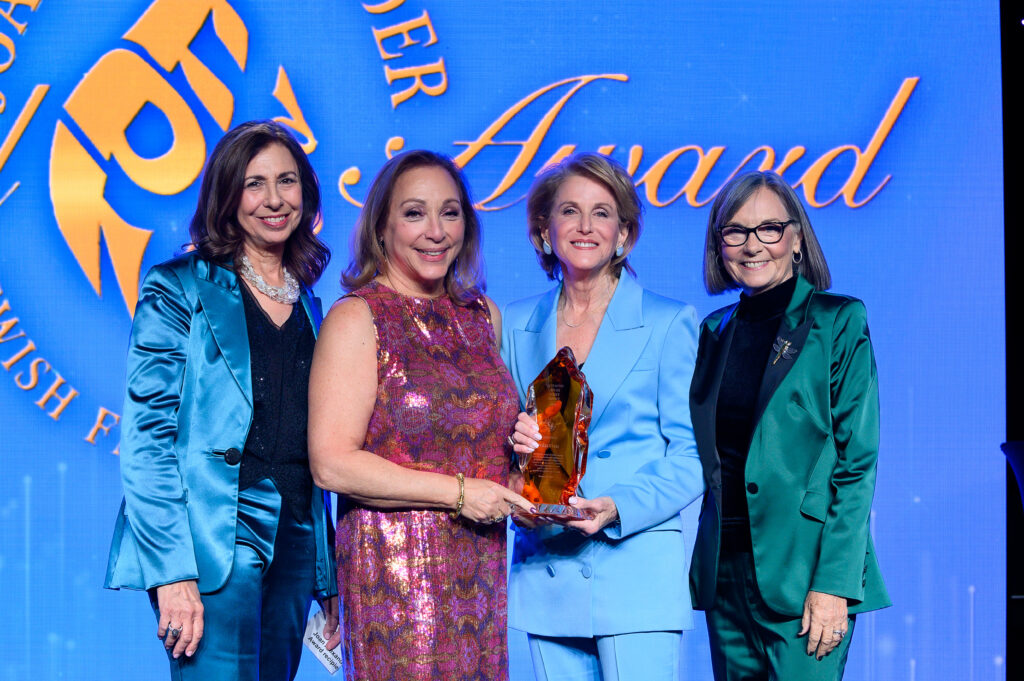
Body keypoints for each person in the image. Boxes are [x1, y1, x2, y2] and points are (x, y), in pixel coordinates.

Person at [104, 120, 338, 680]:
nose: (274, 199)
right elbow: (146, 440)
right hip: (211, 543)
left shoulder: (311, 303)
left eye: (287, 181)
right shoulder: (177, 286)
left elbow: (315, 442)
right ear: (227, 194)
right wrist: (172, 571)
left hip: (296, 540)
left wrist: (325, 577)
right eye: (255, 183)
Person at [308, 150, 533, 681]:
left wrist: (526, 466)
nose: (436, 231)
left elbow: (488, 454)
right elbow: (332, 464)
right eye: (414, 213)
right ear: (382, 228)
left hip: (480, 574)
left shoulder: (484, 316)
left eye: (450, 213)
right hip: (395, 578)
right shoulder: (358, 316)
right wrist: (458, 493)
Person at [503, 152, 704, 681]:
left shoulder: (668, 322)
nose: (586, 226)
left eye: (602, 212)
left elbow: (691, 457)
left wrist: (616, 507)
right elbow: (499, 451)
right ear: (544, 230)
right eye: (570, 211)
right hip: (547, 570)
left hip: (635, 566)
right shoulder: (515, 323)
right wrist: (512, 458)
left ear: (625, 234)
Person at [688, 170, 890, 680]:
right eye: (735, 231)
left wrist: (835, 584)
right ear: (720, 245)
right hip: (726, 577)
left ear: (796, 238)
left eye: (769, 229)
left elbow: (856, 464)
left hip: (806, 578)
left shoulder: (838, 321)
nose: (752, 245)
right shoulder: (713, 332)